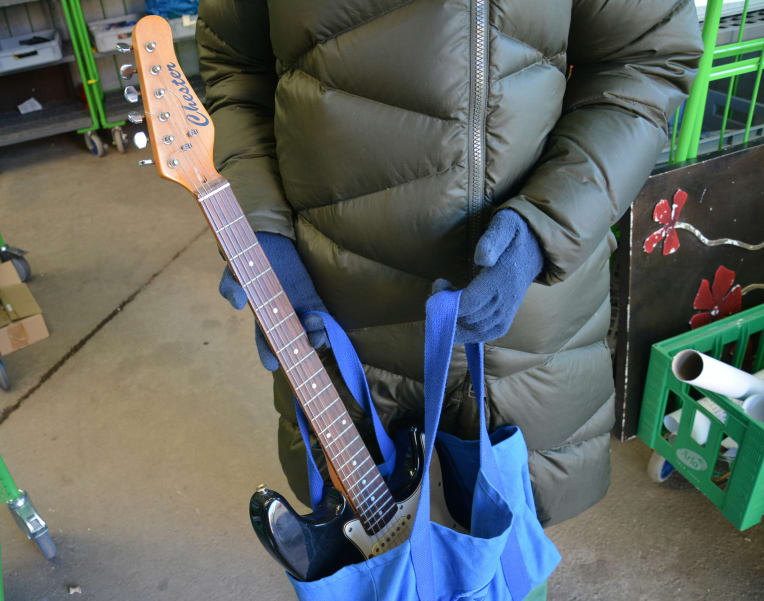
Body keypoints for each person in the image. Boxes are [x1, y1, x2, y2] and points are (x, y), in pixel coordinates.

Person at [197, 0, 702, 529]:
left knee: (504, 548)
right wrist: (259, 231)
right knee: (365, 552)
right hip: (332, 312)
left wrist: (546, 227)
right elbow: (236, 71)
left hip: (520, 316)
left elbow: (646, 61)